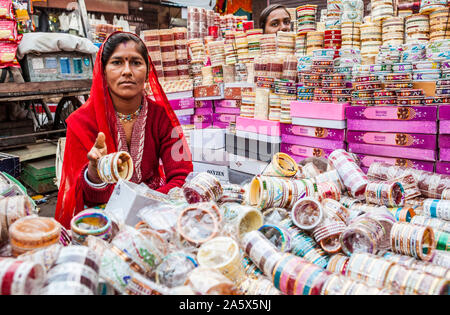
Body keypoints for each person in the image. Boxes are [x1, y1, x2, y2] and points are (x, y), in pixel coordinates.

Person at [55, 32, 193, 229]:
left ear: (147, 71)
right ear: (103, 71)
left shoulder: (159, 116)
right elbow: (83, 197)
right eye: (117, 62)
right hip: (103, 219)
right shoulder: (81, 122)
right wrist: (95, 174)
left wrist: (149, 204)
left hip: (155, 213)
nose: (127, 71)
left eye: (136, 62)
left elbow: (182, 173)